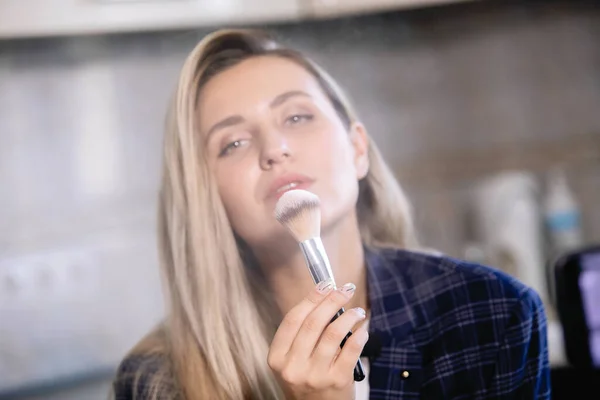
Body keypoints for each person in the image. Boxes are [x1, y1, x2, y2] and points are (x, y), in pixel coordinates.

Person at [112, 29, 550, 399]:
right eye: (234, 143)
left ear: (358, 150)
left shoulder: (491, 313)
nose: (274, 149)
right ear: (207, 198)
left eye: (298, 117)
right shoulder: (155, 380)